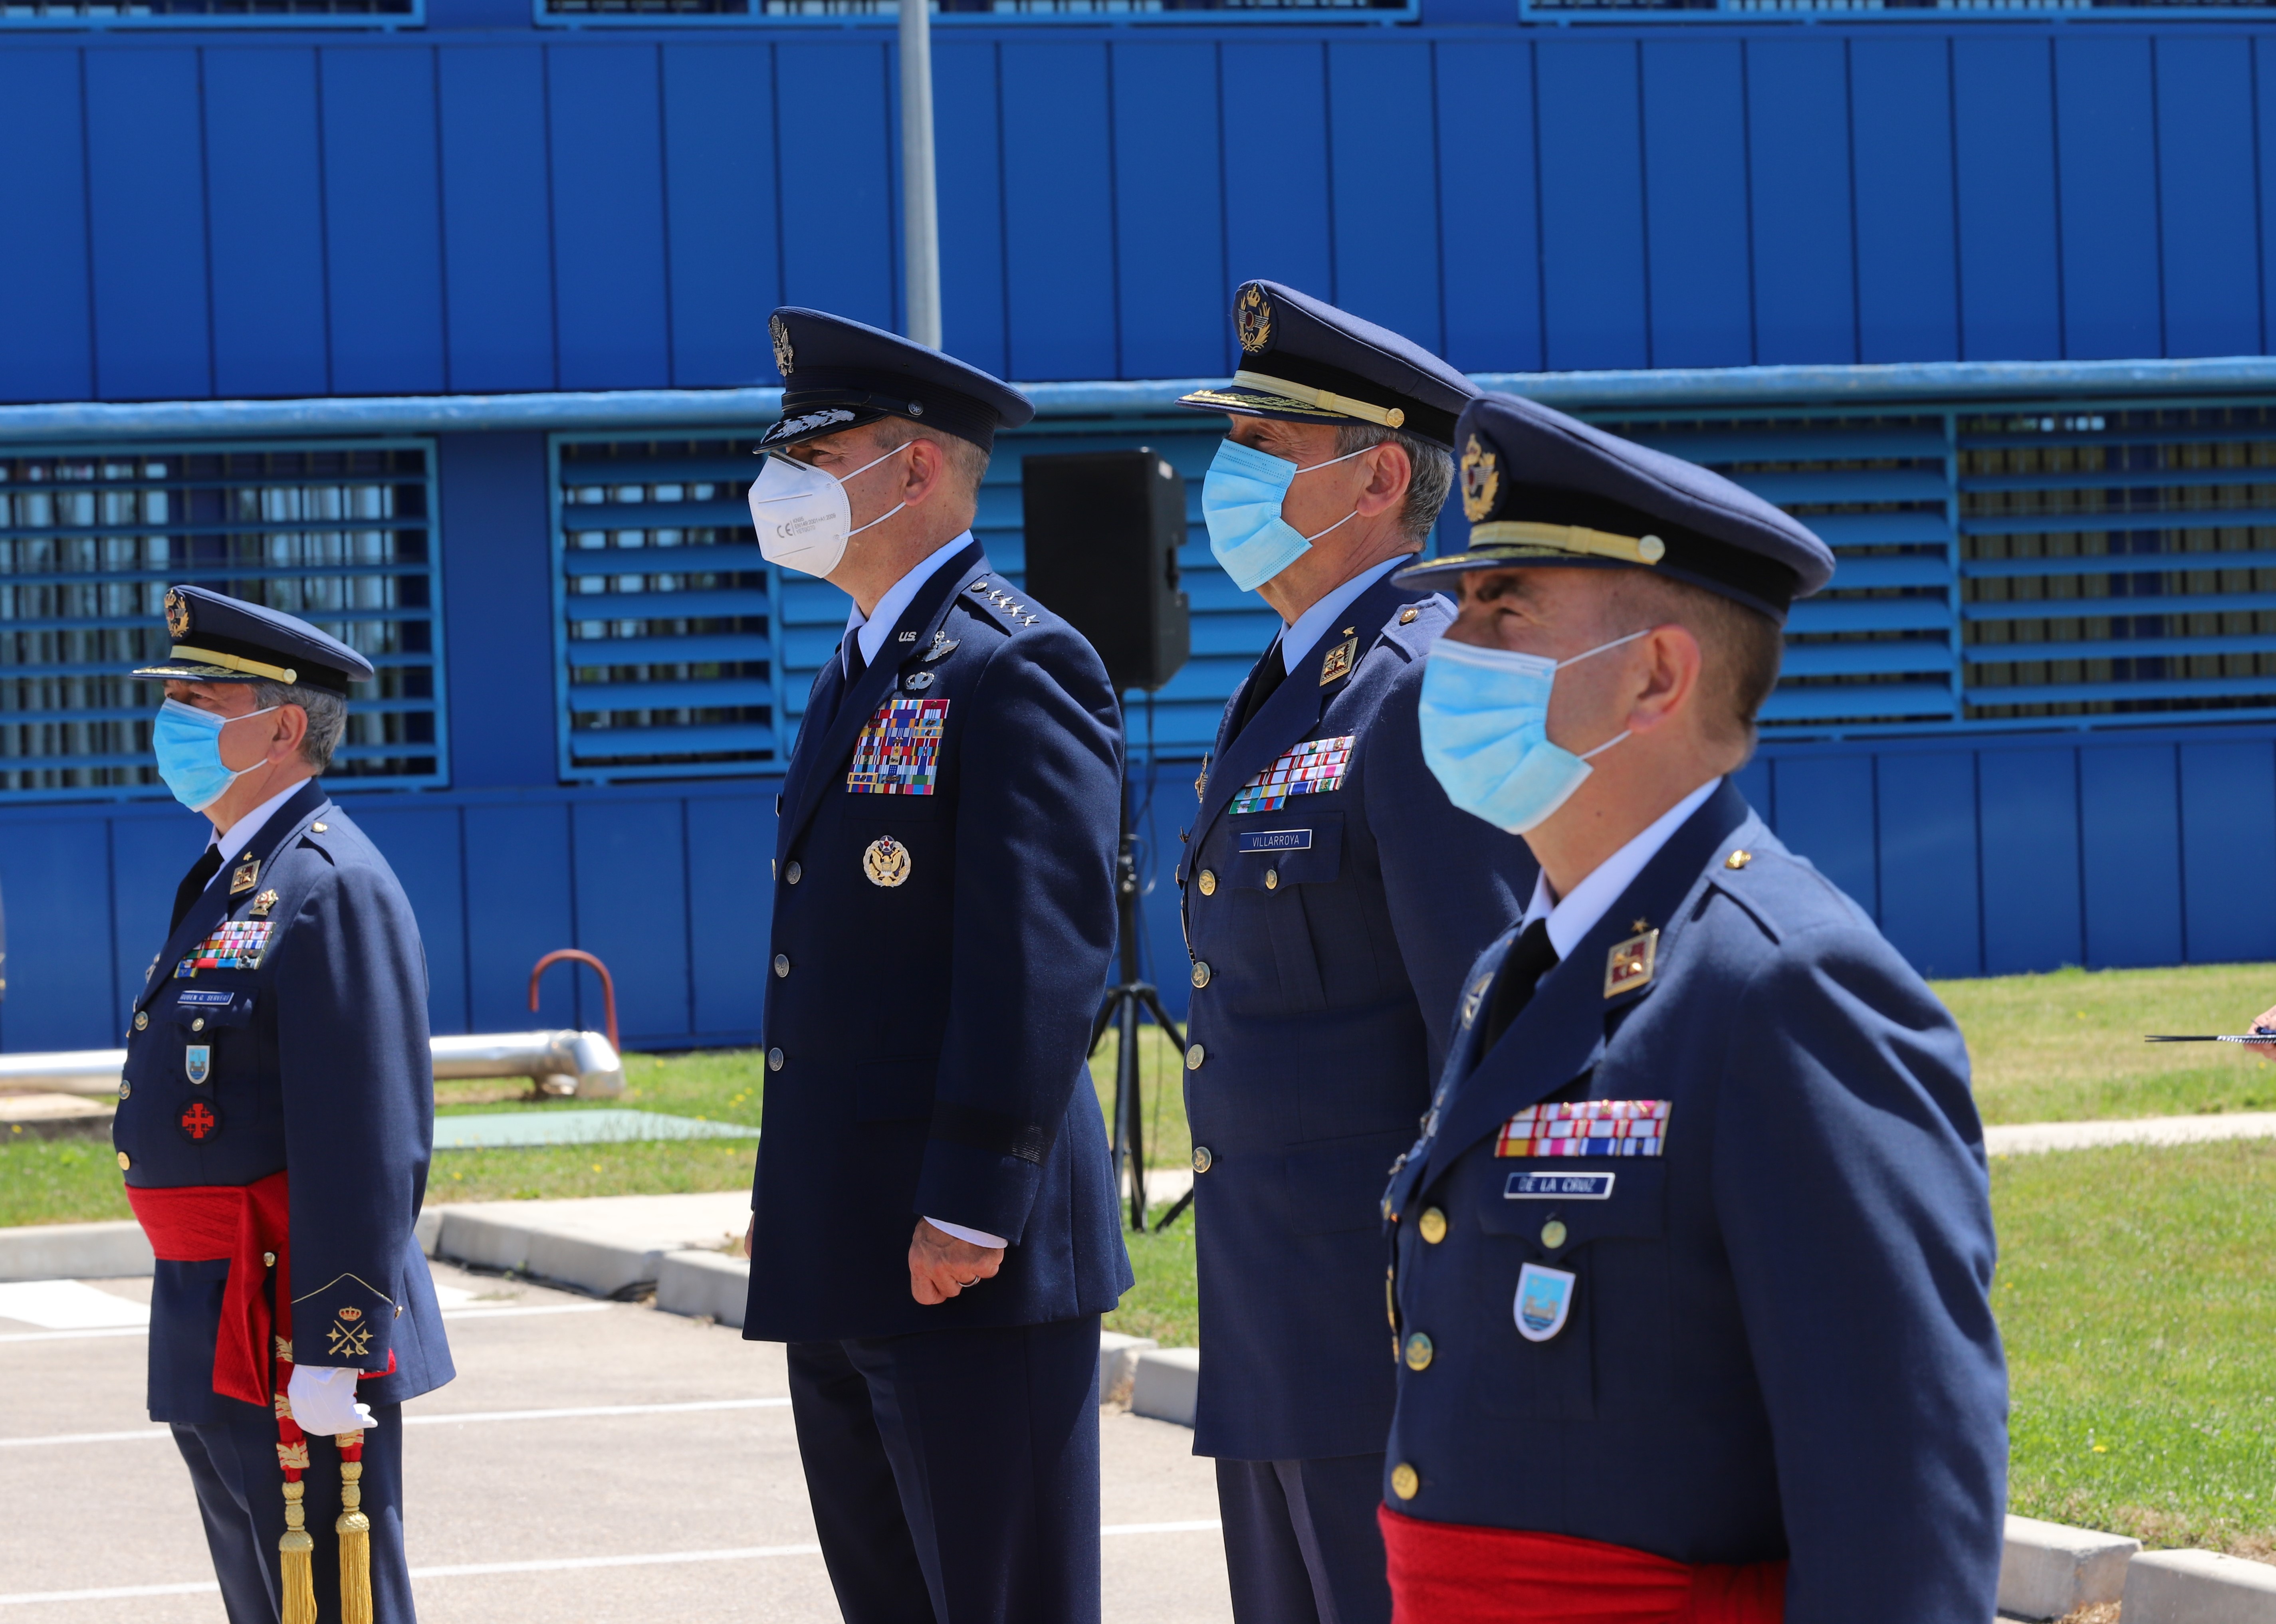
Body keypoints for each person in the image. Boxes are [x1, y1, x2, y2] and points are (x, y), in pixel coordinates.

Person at [1373, 391, 2008, 1624]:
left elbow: (1897, 1490)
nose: (1455, 643)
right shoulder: (1518, 966)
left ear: (1655, 676)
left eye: (1504, 607)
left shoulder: (1786, 987)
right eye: (1461, 605)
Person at [739, 307, 1131, 1624]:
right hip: (845, 1233)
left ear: (912, 468)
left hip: (963, 1254)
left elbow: (1040, 955)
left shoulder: (1016, 661)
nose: (781, 486)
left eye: (814, 456)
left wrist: (972, 1201)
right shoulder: (857, 665)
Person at [1170, 280, 1538, 1624]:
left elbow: (1484, 1028)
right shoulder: (1291, 678)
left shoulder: (1421, 685)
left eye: (1262, 447)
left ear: (1379, 477)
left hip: (1382, 1325)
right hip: (1271, 1311)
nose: (1224, 477)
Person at [117, 585, 453, 1624]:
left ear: (283, 727)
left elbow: (367, 1140)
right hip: (213, 1302)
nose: (172, 718)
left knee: (332, 1605)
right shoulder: (237, 876)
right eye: (172, 697)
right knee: (263, 1600)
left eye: (200, 700)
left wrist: (338, 1344)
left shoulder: (328, 883)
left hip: (284, 1322)